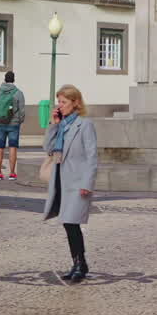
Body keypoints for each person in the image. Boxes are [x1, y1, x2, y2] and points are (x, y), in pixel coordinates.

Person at [42, 84, 98, 284]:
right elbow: (48, 148)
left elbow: (92, 157)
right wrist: (54, 124)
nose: (60, 106)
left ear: (75, 103)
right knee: (68, 223)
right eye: (59, 102)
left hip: (77, 181)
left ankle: (80, 264)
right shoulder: (62, 124)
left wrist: (87, 183)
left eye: (64, 102)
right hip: (61, 180)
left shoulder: (85, 124)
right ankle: (79, 263)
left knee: (72, 223)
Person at [0, 71, 26, 181]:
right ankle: (12, 173)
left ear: (5, 79)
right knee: (12, 147)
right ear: (13, 79)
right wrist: (19, 121)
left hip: (1, 123)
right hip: (14, 124)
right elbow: (22, 110)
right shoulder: (18, 93)